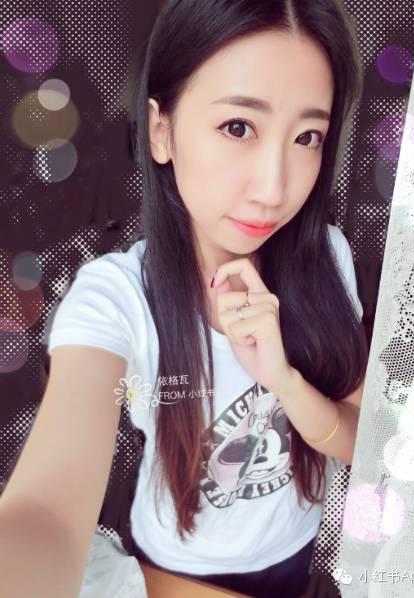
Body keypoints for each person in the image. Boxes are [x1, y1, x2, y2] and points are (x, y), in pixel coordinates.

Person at [0, 1, 369, 597]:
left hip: (295, 557)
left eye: (307, 136)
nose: (273, 188)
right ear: (161, 131)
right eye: (238, 127)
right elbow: (44, 514)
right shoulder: (115, 298)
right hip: (175, 573)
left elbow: (359, 440)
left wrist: (284, 379)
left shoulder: (327, 256)